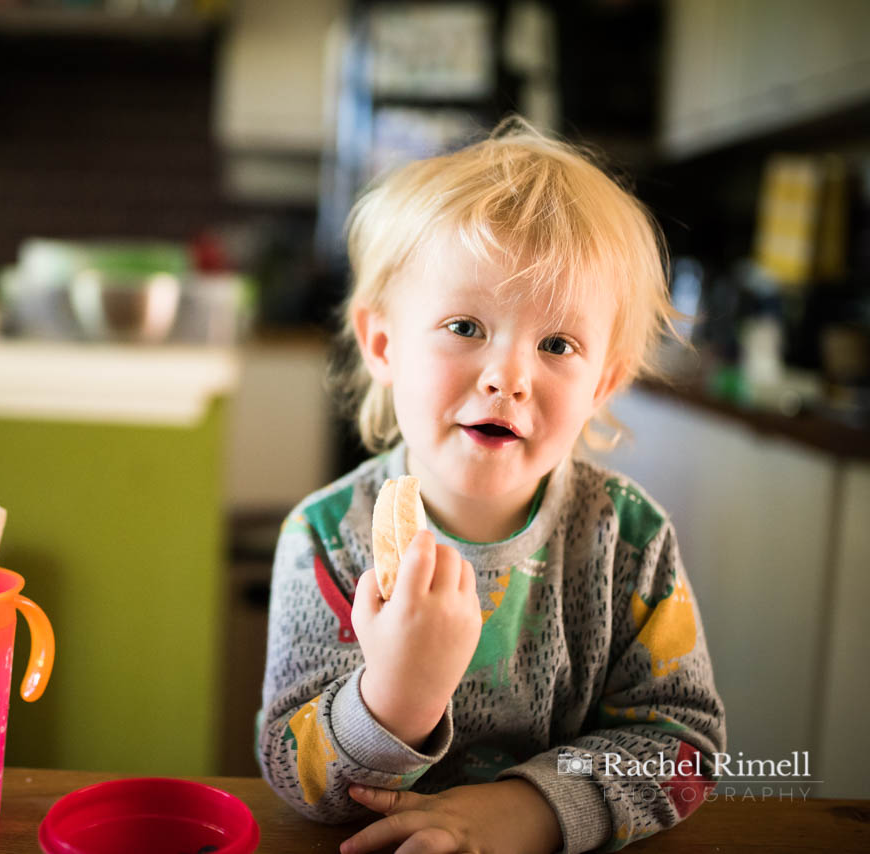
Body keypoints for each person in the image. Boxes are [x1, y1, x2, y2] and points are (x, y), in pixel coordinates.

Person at [257, 117, 727, 854]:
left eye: (557, 344)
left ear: (603, 381)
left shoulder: (628, 539)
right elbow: (296, 776)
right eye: (466, 326)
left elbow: (685, 748)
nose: (508, 375)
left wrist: (531, 811)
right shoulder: (323, 538)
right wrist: (398, 699)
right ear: (384, 344)